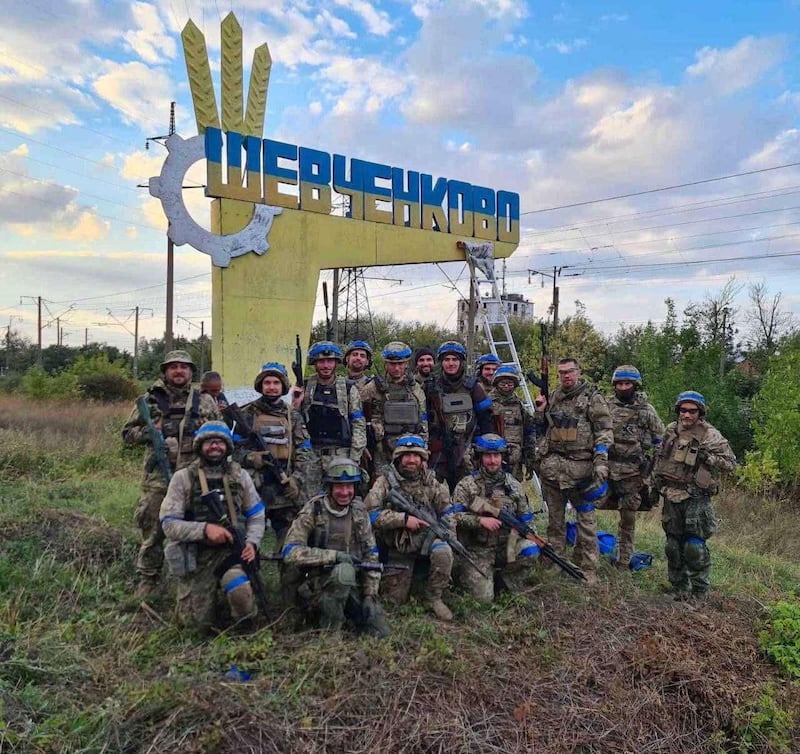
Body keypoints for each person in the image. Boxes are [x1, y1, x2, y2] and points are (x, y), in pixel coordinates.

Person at [123, 350, 220, 596]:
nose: (179, 371)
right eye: (174, 366)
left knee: (196, 526)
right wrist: (151, 433)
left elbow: (220, 433)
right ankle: (149, 578)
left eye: (184, 367)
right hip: (158, 477)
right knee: (153, 527)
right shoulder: (149, 401)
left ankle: (193, 580)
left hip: (194, 475)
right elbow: (127, 434)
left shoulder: (205, 401)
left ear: (191, 372)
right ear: (165, 371)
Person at [159, 421, 265, 633]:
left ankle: (242, 622)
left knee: (240, 592)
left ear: (227, 446)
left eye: (219, 442)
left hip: (230, 552)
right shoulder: (183, 478)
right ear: (200, 446)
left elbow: (256, 516)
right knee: (194, 626)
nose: (214, 447)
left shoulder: (239, 475)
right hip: (197, 554)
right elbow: (169, 524)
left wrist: (252, 543)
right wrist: (204, 530)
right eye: (209, 442)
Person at [282, 458, 390, 637]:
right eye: (339, 486)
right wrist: (333, 556)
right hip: (316, 585)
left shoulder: (358, 512)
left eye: (349, 486)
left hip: (351, 585)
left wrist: (370, 594)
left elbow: (371, 554)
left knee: (380, 631)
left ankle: (350, 617)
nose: (345, 492)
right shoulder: (314, 509)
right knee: (343, 572)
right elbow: (290, 551)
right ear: (330, 487)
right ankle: (330, 632)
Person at [533, 357, 613, 585]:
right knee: (554, 521)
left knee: (586, 522)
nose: (566, 376)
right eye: (562, 373)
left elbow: (605, 431)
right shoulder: (555, 396)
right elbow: (543, 427)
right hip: (554, 470)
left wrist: (600, 461)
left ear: (579, 371)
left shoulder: (592, 398)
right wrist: (540, 411)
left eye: (570, 372)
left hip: (581, 471)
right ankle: (556, 562)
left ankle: (588, 568)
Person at [653, 391, 735, 600]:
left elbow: (731, 465)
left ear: (700, 413)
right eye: (683, 410)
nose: (687, 415)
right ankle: (678, 587)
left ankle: (700, 592)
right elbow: (660, 458)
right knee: (672, 545)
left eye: (692, 411)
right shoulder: (671, 430)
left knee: (693, 546)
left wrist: (709, 458)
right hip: (671, 494)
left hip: (696, 497)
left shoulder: (710, 435)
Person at [364, 434, 454, 621]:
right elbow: (369, 514)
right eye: (406, 455)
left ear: (422, 459)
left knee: (443, 550)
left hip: (426, 541)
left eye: (416, 455)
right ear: (398, 457)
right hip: (397, 548)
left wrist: (449, 535)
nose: (411, 460)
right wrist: (402, 519)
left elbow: (447, 512)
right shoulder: (385, 482)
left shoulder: (431, 482)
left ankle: (434, 597)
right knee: (393, 602)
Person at [231, 362, 315, 551]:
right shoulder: (245, 414)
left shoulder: (292, 415)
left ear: (283, 386)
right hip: (253, 487)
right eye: (267, 382)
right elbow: (233, 451)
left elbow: (305, 451)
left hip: (284, 487)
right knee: (246, 540)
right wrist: (252, 458)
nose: (271, 386)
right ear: (260, 385)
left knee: (289, 540)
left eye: (276, 382)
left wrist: (297, 480)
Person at [449, 434, 539, 602]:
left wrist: (528, 534)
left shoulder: (514, 486)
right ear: (480, 457)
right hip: (478, 550)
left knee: (531, 549)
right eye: (487, 456)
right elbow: (454, 517)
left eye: (496, 456)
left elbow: (527, 520)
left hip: (506, 548)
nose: (492, 461)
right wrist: (480, 521)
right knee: (483, 599)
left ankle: (505, 582)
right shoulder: (466, 485)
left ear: (502, 457)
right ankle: (476, 576)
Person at [600, 365, 665, 568]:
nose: (623, 387)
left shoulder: (646, 411)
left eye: (627, 384)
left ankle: (623, 560)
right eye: (619, 383)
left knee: (628, 519)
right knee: (585, 508)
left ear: (635, 385)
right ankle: (586, 552)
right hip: (606, 470)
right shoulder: (605, 406)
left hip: (632, 474)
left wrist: (652, 471)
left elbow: (661, 441)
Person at [424, 340, 494, 492]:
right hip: (438, 451)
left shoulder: (473, 387)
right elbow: (424, 419)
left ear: (461, 362)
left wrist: (485, 449)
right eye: (447, 360)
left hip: (465, 451)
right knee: (434, 492)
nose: (451, 363)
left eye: (455, 359)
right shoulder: (431, 386)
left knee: (466, 493)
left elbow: (486, 420)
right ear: (441, 362)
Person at [301, 341, 367, 491]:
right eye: (321, 361)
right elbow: (296, 422)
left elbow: (358, 424)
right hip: (311, 454)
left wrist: (354, 458)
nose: (326, 366)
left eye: (330, 361)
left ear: (336, 363)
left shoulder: (348, 388)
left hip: (341, 454)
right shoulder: (305, 387)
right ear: (314, 363)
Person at [359, 341, 428, 477]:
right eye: (392, 364)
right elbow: (358, 419)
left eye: (400, 364)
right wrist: (362, 447)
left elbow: (423, 422)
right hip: (381, 450)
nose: (396, 368)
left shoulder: (415, 389)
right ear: (385, 364)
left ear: (406, 364)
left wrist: (424, 452)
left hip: (410, 451)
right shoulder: (372, 388)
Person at [489, 365, 536, 482]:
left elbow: (528, 431)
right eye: (503, 383)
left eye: (510, 384)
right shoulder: (487, 403)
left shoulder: (519, 405)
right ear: (496, 383)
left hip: (515, 457)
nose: (506, 387)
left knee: (514, 490)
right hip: (492, 456)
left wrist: (529, 459)